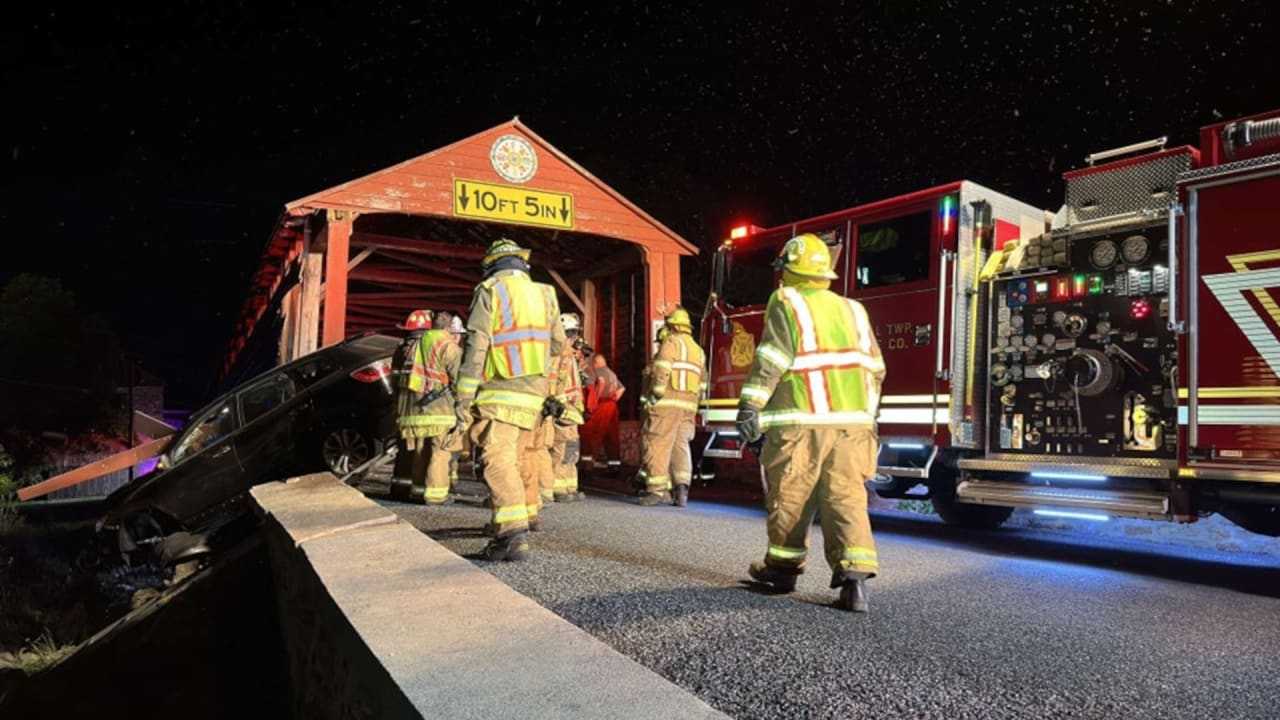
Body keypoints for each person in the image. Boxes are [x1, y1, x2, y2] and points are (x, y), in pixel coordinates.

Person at [734, 233, 886, 614]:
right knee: (846, 496)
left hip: (801, 421)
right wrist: (867, 419)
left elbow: (771, 358)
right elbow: (876, 370)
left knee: (791, 495)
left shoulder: (786, 301)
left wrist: (750, 407)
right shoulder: (854, 309)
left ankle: (782, 570)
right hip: (853, 426)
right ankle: (854, 580)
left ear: (788, 270)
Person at [453, 238, 566, 561]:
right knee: (514, 458)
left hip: (499, 389)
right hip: (534, 393)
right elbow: (558, 345)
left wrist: (463, 398)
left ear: (492, 265)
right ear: (522, 264)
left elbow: (477, 346)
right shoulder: (546, 293)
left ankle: (511, 535)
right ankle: (508, 523)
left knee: (496, 458)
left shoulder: (490, 290)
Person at [637, 308, 704, 507]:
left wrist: (656, 392)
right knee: (680, 446)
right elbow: (703, 382)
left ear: (673, 326)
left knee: (657, 442)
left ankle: (657, 491)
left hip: (667, 403)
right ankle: (682, 490)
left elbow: (662, 368)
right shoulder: (698, 350)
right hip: (688, 407)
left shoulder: (672, 342)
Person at [405, 310, 464, 506]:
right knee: (441, 450)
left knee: (422, 449)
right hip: (441, 407)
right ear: (448, 328)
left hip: (418, 405)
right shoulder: (449, 346)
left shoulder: (418, 342)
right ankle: (436, 495)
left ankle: (418, 490)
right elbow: (458, 380)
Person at [391, 309, 433, 501]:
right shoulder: (427, 349)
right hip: (421, 406)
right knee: (421, 449)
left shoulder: (400, 350)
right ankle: (417, 490)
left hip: (403, 407)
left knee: (404, 450)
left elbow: (394, 379)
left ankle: (399, 488)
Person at [551, 313, 587, 502]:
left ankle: (569, 486)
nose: (574, 338)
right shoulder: (559, 355)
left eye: (574, 333)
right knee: (560, 448)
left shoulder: (570, 356)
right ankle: (557, 487)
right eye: (570, 333)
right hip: (562, 407)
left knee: (571, 449)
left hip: (572, 409)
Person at [580, 353, 625, 469]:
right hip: (612, 406)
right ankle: (614, 463)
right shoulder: (612, 374)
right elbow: (621, 389)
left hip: (600, 405)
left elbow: (591, 392)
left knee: (590, 433)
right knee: (612, 436)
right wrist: (613, 399)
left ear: (595, 363)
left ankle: (586, 464)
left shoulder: (593, 372)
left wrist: (589, 410)